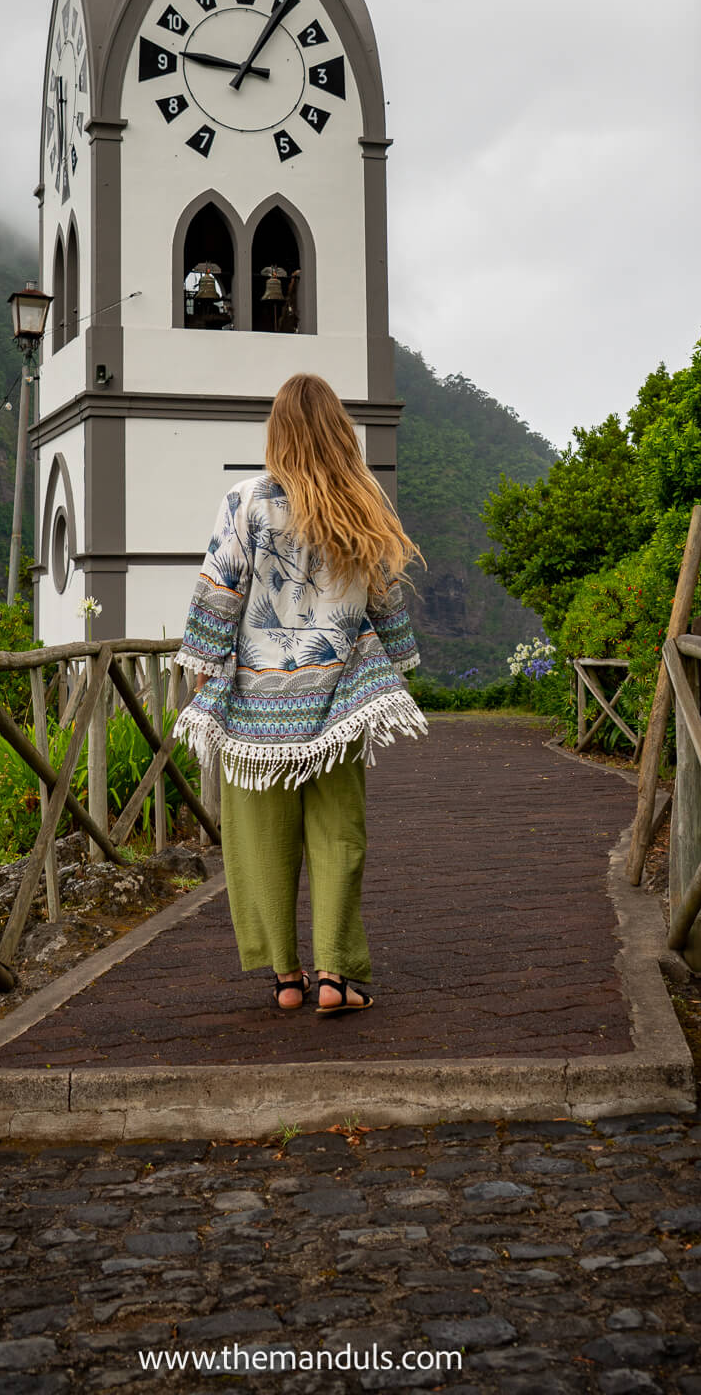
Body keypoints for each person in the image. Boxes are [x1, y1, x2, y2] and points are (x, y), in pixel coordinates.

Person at [174, 373, 428, 1015]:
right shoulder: (362, 500)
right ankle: (337, 977)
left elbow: (221, 590)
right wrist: (399, 664)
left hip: (256, 704)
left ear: (278, 430)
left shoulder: (246, 500)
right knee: (339, 834)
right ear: (339, 429)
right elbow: (383, 594)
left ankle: (287, 979)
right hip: (339, 697)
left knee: (259, 837)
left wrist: (203, 667)